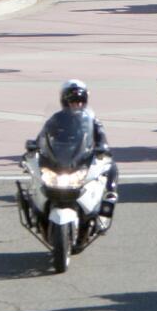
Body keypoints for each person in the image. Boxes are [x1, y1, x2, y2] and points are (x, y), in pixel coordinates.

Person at [45, 78, 118, 227]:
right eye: (72, 101)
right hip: (61, 158)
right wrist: (35, 146)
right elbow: (43, 135)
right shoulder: (56, 119)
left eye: (80, 101)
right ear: (65, 102)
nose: (76, 104)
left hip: (83, 157)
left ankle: (109, 194)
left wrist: (102, 147)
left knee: (111, 165)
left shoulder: (92, 120)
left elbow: (101, 136)